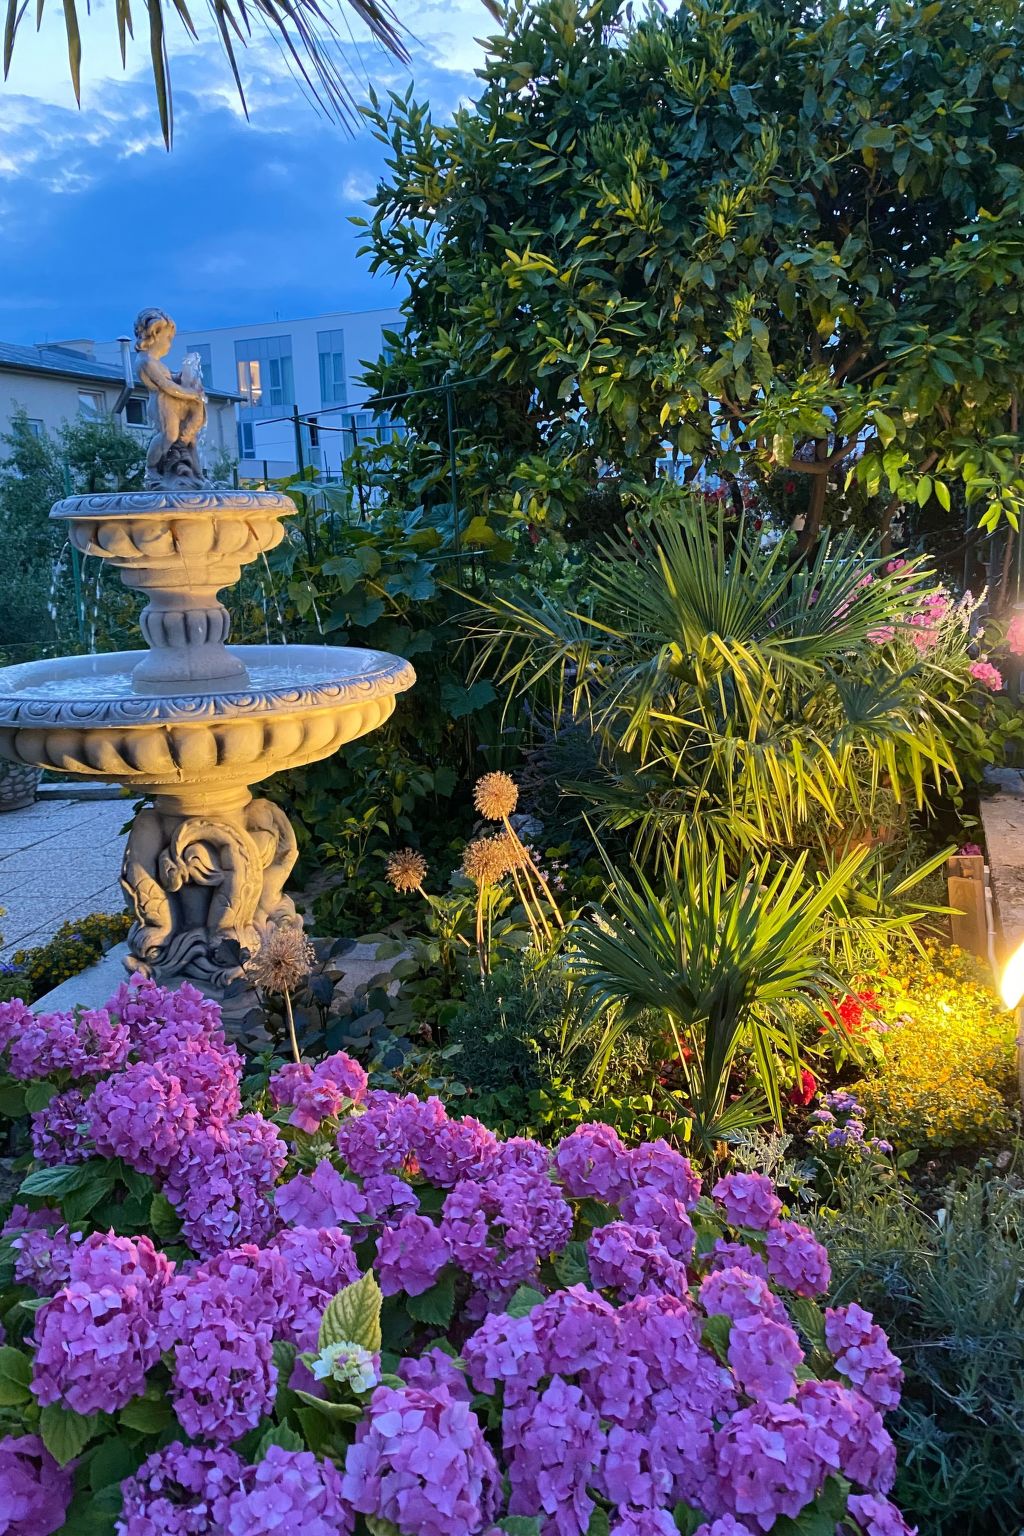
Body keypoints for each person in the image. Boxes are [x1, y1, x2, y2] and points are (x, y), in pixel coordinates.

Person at [134, 307, 207, 485]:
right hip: (161, 404)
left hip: (173, 404)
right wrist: (191, 394)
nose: (170, 344)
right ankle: (152, 468)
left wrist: (182, 377)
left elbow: (170, 380)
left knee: (189, 438)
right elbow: (166, 386)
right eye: (168, 338)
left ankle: (197, 474)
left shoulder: (156, 362)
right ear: (154, 335)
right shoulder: (146, 361)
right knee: (169, 435)